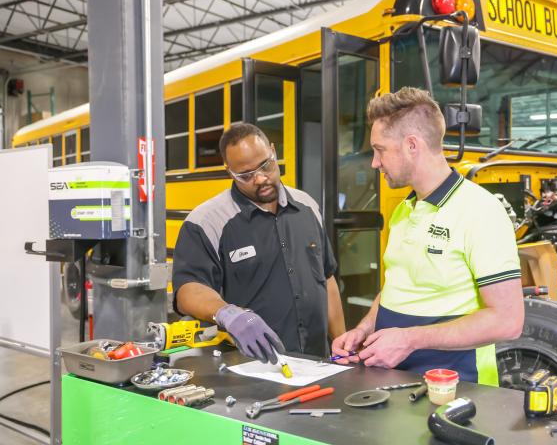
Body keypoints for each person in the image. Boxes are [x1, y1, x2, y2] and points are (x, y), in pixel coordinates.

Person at [331, 87, 524, 385]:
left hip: (457, 389)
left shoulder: (480, 210)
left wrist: (409, 340)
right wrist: (365, 329)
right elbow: (397, 287)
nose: (374, 163)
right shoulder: (404, 210)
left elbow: (508, 320)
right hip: (393, 381)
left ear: (411, 145)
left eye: (379, 149)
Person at [173, 123, 345, 364]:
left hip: (317, 363)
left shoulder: (307, 206)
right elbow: (188, 290)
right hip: (253, 367)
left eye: (266, 165)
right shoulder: (207, 221)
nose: (261, 178)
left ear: (273, 151)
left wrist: (341, 346)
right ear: (229, 172)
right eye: (246, 175)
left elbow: (326, 279)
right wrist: (227, 314)